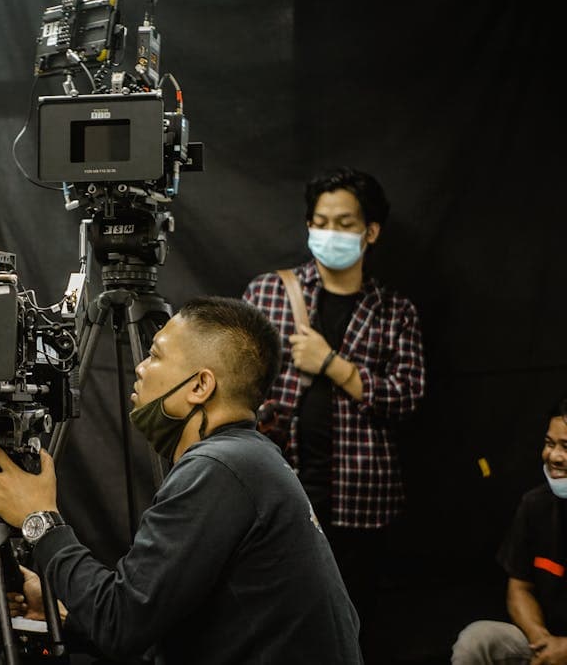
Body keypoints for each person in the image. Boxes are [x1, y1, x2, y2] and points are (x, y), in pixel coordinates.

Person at [0, 296, 362, 664]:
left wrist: (40, 519)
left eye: (155, 356)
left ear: (200, 386)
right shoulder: (249, 460)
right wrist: (65, 616)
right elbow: (153, 623)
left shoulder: (218, 469)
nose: (140, 368)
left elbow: (120, 625)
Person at [242, 166, 426, 646]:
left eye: (344, 223)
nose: (330, 233)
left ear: (371, 231)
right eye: (320, 222)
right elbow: (237, 382)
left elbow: (407, 397)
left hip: (361, 499)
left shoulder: (394, 311)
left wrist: (333, 365)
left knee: (354, 622)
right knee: (279, 620)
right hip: (281, 489)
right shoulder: (268, 292)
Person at [452, 398, 567, 665]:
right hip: (548, 642)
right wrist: (543, 641)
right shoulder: (535, 505)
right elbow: (519, 588)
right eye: (550, 444)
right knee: (477, 641)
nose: (554, 456)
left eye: (566, 447)